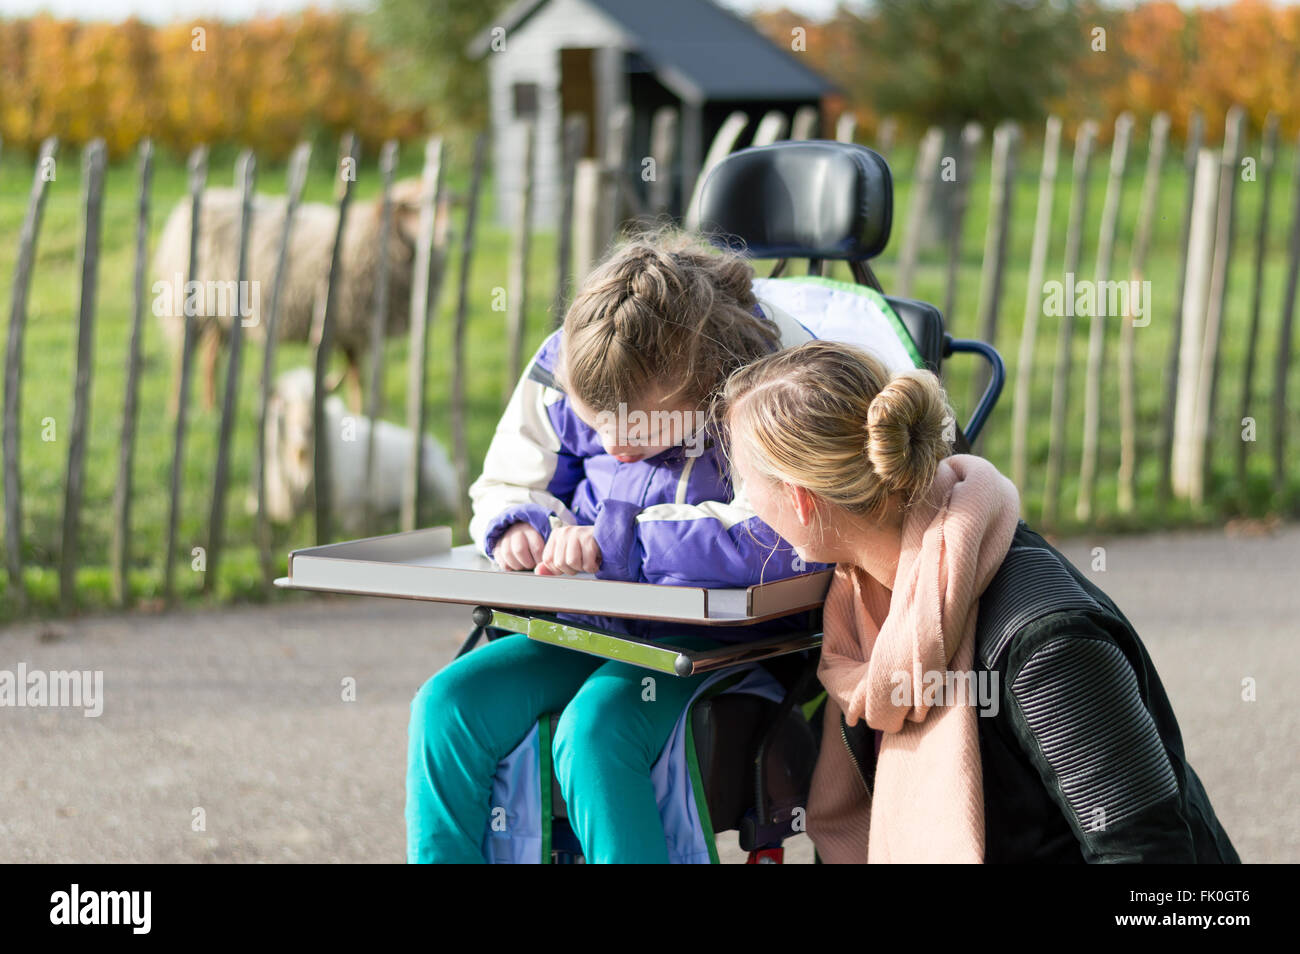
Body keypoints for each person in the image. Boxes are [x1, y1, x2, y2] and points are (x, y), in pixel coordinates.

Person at [715, 339, 1241, 863]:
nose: (742, 501)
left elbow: (1149, 855)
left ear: (801, 501)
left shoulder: (1044, 642)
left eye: (744, 479)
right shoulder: (861, 610)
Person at [404, 229, 831, 863]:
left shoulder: (776, 380)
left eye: (635, 427)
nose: (610, 444)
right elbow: (508, 479)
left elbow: (785, 537)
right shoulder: (580, 353)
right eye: (594, 421)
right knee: (448, 706)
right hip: (596, 623)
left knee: (598, 730)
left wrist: (614, 542)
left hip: (722, 643)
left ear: (709, 383)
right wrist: (522, 527)